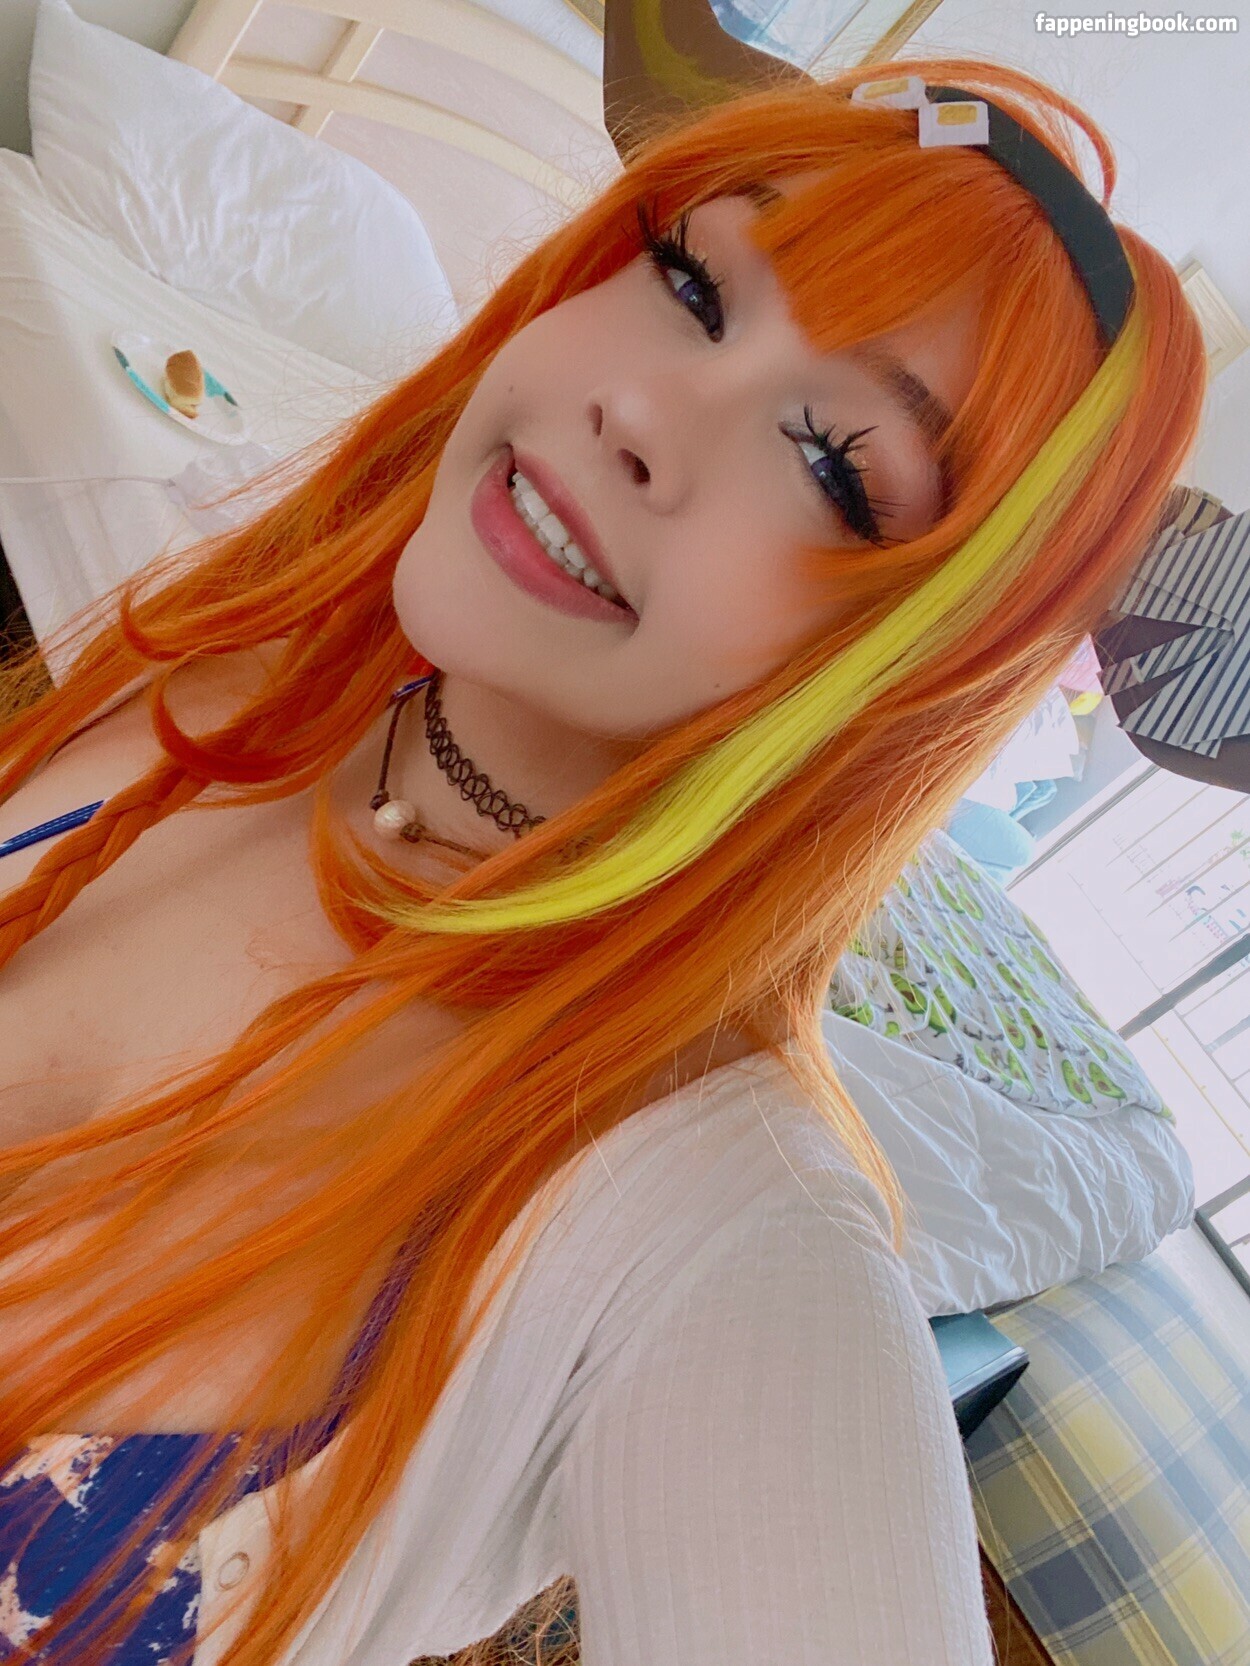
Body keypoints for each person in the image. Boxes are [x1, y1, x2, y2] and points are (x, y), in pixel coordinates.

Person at [0, 44, 1205, 1666]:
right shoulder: (232, 660)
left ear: (915, 667)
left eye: (830, 460)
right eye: (693, 285)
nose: (640, 408)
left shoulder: (721, 1234)